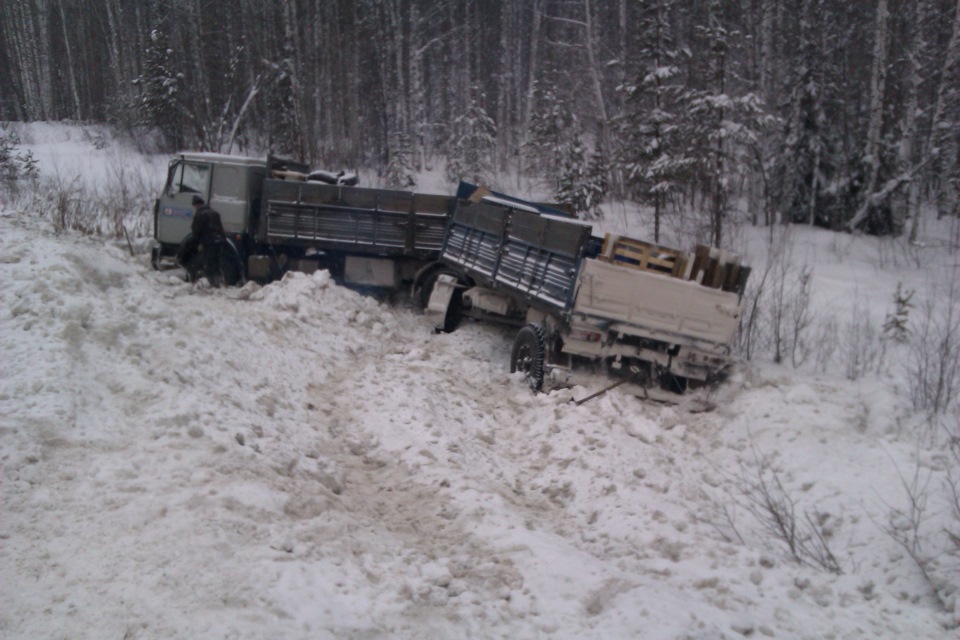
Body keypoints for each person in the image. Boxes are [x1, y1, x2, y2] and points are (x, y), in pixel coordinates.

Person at [176, 195, 226, 286]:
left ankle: (210, 284)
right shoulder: (214, 213)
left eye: (194, 206)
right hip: (219, 242)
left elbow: (196, 232)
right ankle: (218, 282)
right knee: (216, 263)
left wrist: (193, 244)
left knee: (207, 263)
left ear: (196, 205)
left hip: (209, 242)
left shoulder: (200, 215)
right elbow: (220, 229)